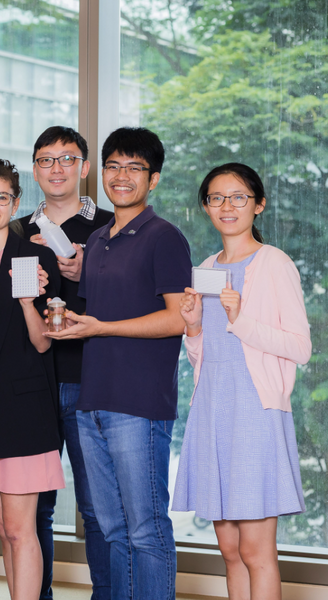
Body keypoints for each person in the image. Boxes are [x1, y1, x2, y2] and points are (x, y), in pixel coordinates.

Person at [46, 127, 192, 599]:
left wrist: (100, 327)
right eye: (113, 166)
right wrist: (70, 320)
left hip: (138, 404)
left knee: (146, 529)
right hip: (92, 400)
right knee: (111, 529)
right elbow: (100, 311)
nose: (121, 176)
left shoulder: (164, 237)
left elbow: (177, 318)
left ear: (154, 179)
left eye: (134, 167)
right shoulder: (99, 240)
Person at [173, 163, 310, 600]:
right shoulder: (206, 267)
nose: (227, 206)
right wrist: (194, 326)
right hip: (212, 413)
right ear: (206, 207)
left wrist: (240, 318)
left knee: (255, 550)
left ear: (258, 205)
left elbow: (300, 347)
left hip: (255, 413)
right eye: (216, 198)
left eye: (238, 197)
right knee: (230, 551)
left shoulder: (274, 263)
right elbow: (204, 357)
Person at [16, 126, 113, 600]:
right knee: (35, 510)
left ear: (85, 167)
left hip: (89, 379)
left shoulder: (111, 227)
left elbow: (135, 300)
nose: (56, 168)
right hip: (30, 383)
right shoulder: (15, 230)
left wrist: (89, 269)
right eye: (46, 160)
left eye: (67, 159)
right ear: (34, 169)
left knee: (98, 508)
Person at [0, 156, 64, 600]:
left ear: (16, 202)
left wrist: (28, 302)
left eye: (1, 198)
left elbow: (43, 344)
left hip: (23, 410)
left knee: (22, 530)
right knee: (4, 529)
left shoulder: (36, 257)